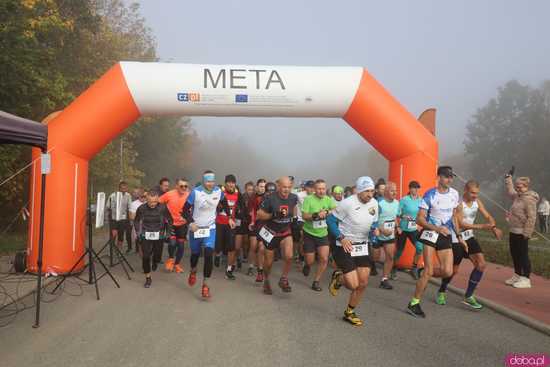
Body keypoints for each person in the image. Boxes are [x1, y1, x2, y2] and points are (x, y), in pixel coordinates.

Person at [407, 166, 465, 318]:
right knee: (429, 271)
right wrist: (436, 228)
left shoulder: (454, 194)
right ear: (439, 177)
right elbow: (419, 218)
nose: (450, 179)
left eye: (451, 177)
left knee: (448, 271)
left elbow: (454, 216)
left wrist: (458, 236)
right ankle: (414, 303)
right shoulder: (430, 194)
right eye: (446, 176)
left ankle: (421, 272)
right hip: (430, 233)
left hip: (445, 234)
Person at [436, 180, 503, 309]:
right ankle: (442, 290)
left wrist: (493, 227)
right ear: (465, 190)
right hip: (457, 238)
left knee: (481, 264)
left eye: (477, 193)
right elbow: (460, 223)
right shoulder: (459, 204)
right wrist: (482, 226)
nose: (475, 195)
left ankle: (468, 295)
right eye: (472, 193)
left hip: (469, 237)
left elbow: (488, 216)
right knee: (452, 271)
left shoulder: (477, 202)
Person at [326, 176, 379, 327]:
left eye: (372, 191)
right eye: (367, 191)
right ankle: (339, 279)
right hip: (344, 245)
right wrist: (341, 237)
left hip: (362, 245)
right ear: (359, 191)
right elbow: (330, 220)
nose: (370, 194)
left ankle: (349, 312)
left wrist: (374, 230)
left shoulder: (374, 203)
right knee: (353, 284)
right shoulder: (347, 203)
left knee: (363, 283)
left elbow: (374, 221)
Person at [182, 170, 235, 298]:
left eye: (212, 181)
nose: (210, 184)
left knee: (208, 254)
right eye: (207, 181)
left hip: (210, 228)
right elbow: (184, 210)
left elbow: (225, 204)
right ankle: (193, 270)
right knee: (195, 254)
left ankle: (206, 285)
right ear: (204, 181)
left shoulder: (218, 191)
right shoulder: (196, 192)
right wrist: (191, 223)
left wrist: (229, 217)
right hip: (196, 228)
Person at [256, 176, 298, 295]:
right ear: (279, 186)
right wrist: (273, 215)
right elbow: (259, 214)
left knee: (289, 256)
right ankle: (266, 280)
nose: (286, 189)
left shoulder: (294, 197)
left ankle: (283, 279)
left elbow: (294, 207)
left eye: (289, 187)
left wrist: (294, 219)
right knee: (269, 263)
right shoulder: (270, 198)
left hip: (285, 231)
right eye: (284, 187)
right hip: (271, 232)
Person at [301, 179, 337, 291]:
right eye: (319, 189)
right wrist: (316, 215)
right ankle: (306, 264)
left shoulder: (328, 199)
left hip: (323, 234)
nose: (321, 191)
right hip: (309, 233)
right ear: (314, 190)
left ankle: (316, 281)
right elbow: (304, 216)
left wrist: (326, 212)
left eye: (323, 188)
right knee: (310, 260)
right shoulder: (308, 199)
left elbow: (335, 210)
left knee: (324, 258)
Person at [504, 174, 539, 288]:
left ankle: (526, 278)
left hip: (522, 232)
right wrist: (508, 179)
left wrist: (527, 233)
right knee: (514, 254)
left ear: (526, 187)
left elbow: (532, 217)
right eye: (517, 187)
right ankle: (517, 274)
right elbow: (511, 192)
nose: (518, 189)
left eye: (520, 187)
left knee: (523, 255)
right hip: (513, 230)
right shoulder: (518, 196)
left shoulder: (529, 199)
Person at [134, 191, 173, 288]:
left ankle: (155, 261)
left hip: (159, 234)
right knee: (146, 256)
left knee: (157, 255)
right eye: (150, 202)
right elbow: (136, 221)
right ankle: (148, 278)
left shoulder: (163, 207)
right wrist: (138, 232)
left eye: (155, 202)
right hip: (146, 234)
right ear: (146, 200)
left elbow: (170, 220)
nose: (152, 204)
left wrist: (168, 233)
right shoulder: (141, 208)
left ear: (158, 200)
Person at [159, 178, 190, 273]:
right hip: (171, 224)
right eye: (181, 186)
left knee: (181, 246)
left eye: (186, 186)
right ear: (176, 186)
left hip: (182, 225)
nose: (184, 188)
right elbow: (158, 202)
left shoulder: (189, 195)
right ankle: (171, 260)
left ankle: (177, 264)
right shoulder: (169, 194)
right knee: (172, 243)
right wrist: (163, 215)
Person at [394, 181, 423, 280]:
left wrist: (420, 223)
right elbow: (397, 213)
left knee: (420, 248)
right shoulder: (404, 200)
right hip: (403, 229)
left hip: (413, 229)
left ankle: (414, 268)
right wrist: (403, 216)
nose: (416, 190)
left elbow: (422, 214)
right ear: (410, 189)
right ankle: (393, 269)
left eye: (417, 188)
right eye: (414, 188)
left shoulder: (421, 200)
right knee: (399, 251)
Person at [374, 182, 400, 290]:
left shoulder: (397, 203)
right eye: (392, 190)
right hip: (377, 234)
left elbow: (394, 217)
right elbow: (373, 220)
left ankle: (384, 279)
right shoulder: (379, 203)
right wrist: (381, 229)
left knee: (390, 256)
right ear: (385, 192)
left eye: (395, 190)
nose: (395, 192)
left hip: (389, 235)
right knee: (374, 258)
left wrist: (397, 226)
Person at [215, 174, 241, 280]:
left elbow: (243, 207)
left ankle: (229, 270)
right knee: (218, 246)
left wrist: (240, 213)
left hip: (231, 224)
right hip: (219, 223)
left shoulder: (238, 194)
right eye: (229, 182)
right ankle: (217, 254)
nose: (231, 184)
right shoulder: (220, 193)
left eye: (233, 182)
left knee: (231, 247)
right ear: (225, 183)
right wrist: (218, 207)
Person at [248, 179, 267, 281]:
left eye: (264, 186)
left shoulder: (268, 197)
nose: (262, 188)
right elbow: (252, 212)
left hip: (265, 227)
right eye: (260, 186)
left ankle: (260, 271)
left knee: (261, 248)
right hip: (255, 225)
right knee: (253, 246)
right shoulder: (253, 198)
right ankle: (251, 266)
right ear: (257, 187)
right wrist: (252, 222)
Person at [106, 181, 133, 253]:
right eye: (122, 188)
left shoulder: (128, 195)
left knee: (121, 235)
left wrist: (130, 218)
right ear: (119, 188)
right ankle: (111, 251)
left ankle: (118, 251)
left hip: (123, 219)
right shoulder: (113, 195)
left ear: (127, 188)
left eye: (125, 188)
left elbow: (130, 207)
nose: (124, 190)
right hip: (114, 218)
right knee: (114, 234)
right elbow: (108, 206)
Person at [297, 180, 314, 271]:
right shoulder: (299, 195)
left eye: (312, 187)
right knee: (303, 238)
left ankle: (305, 258)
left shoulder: (316, 195)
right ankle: (301, 258)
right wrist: (294, 217)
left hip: (312, 220)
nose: (311, 189)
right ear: (305, 187)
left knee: (307, 241)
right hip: (301, 219)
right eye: (309, 187)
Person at [129, 188, 147, 254]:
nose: (144, 198)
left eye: (145, 196)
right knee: (140, 241)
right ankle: (142, 255)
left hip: (149, 226)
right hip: (139, 225)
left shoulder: (149, 202)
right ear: (138, 196)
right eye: (142, 196)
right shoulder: (133, 204)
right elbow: (131, 216)